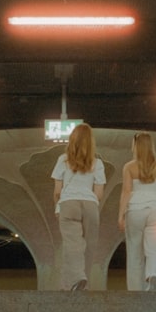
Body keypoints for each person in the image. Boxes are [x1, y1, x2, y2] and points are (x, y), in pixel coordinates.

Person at [51, 123, 106, 291]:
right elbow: (99, 193)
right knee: (88, 247)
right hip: (90, 205)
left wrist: (58, 208)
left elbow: (57, 192)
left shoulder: (62, 160)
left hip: (69, 203)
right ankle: (75, 284)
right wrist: (88, 202)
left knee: (72, 245)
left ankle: (77, 278)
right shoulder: (97, 163)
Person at [118, 131, 156, 291]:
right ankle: (153, 276)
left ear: (136, 146)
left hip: (135, 210)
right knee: (154, 250)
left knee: (135, 252)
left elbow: (126, 191)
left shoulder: (129, 167)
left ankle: (135, 290)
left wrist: (120, 215)